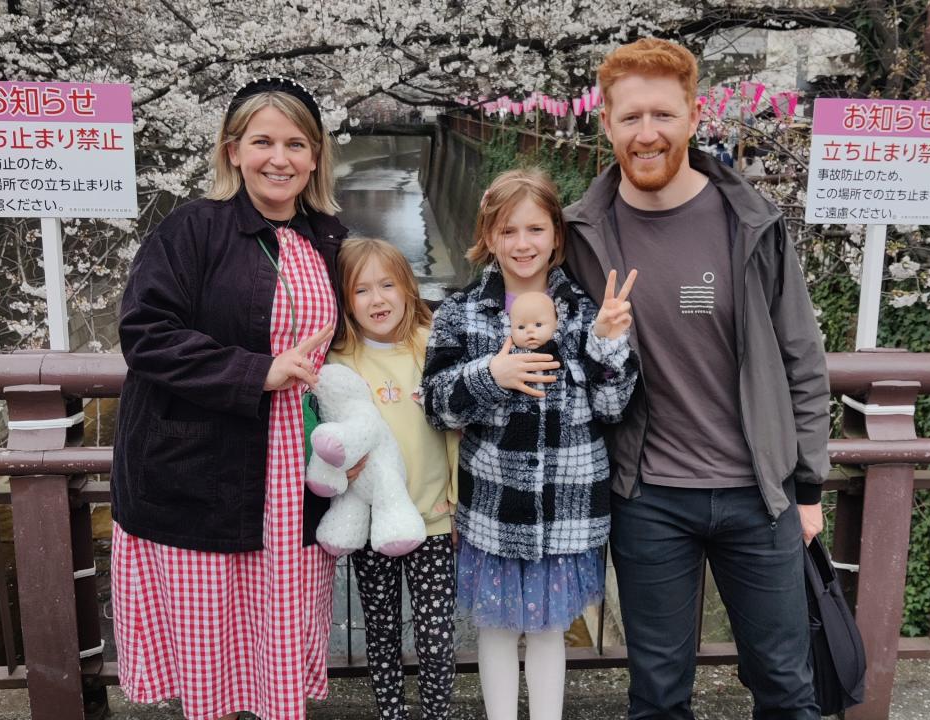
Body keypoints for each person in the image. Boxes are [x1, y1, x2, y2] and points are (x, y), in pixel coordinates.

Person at [563, 39, 831, 719]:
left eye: (662, 115)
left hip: (758, 494)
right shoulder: (581, 235)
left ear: (693, 115)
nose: (646, 134)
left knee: (785, 684)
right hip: (648, 497)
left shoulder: (751, 223)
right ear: (606, 123)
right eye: (629, 118)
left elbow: (801, 356)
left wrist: (807, 486)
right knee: (656, 692)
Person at [110, 76, 349, 720]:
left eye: (297, 144)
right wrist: (258, 372)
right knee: (211, 644)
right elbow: (145, 334)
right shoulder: (194, 229)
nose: (280, 158)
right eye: (263, 141)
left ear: (316, 156)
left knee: (279, 633)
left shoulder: (328, 236)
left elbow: (367, 336)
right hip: (203, 469)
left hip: (293, 474)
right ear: (232, 150)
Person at [422, 168, 639, 720]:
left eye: (536, 229)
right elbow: (436, 404)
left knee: (547, 631)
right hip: (493, 508)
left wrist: (610, 345)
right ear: (489, 236)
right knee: (495, 629)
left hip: (566, 510)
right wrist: (491, 374)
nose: (523, 244)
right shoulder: (461, 311)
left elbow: (614, 410)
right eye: (509, 230)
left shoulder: (587, 312)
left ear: (556, 236)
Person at [327, 237, 459, 720]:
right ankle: (391, 711)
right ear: (345, 300)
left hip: (434, 518)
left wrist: (456, 499)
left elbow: (455, 431)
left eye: (387, 285)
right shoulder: (339, 359)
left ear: (408, 288)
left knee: (436, 629)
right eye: (361, 290)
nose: (377, 299)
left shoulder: (431, 345)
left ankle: (437, 712)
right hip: (372, 520)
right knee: (380, 626)